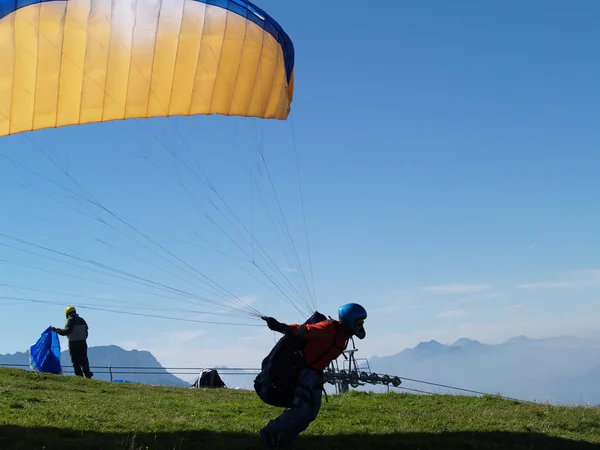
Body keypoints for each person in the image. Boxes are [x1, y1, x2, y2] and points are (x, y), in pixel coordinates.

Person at [259, 303, 367, 449]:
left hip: (316, 375)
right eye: (359, 322)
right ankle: (270, 431)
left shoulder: (344, 336)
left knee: (311, 413)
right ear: (349, 320)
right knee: (301, 410)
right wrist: (281, 326)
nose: (361, 326)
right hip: (304, 372)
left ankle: (285, 439)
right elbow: (305, 330)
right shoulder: (328, 328)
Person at [51, 306, 94, 378]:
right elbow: (86, 333)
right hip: (83, 342)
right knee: (84, 359)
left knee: (75, 361)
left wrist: (56, 330)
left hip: (73, 343)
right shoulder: (82, 320)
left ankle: (79, 376)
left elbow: (66, 331)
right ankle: (88, 374)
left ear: (67, 314)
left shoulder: (70, 320)